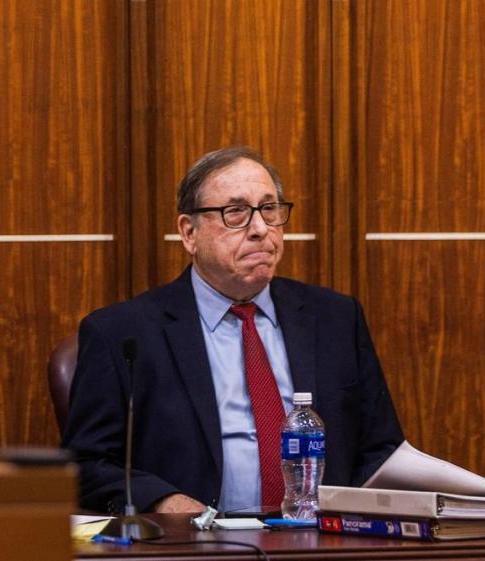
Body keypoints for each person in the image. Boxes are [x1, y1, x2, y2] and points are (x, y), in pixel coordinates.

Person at [62, 147, 403, 514]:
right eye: (236, 213)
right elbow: (87, 466)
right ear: (189, 233)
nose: (260, 230)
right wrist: (163, 501)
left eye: (270, 210)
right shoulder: (123, 333)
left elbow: (380, 449)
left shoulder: (336, 318)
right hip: (194, 548)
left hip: (322, 542)